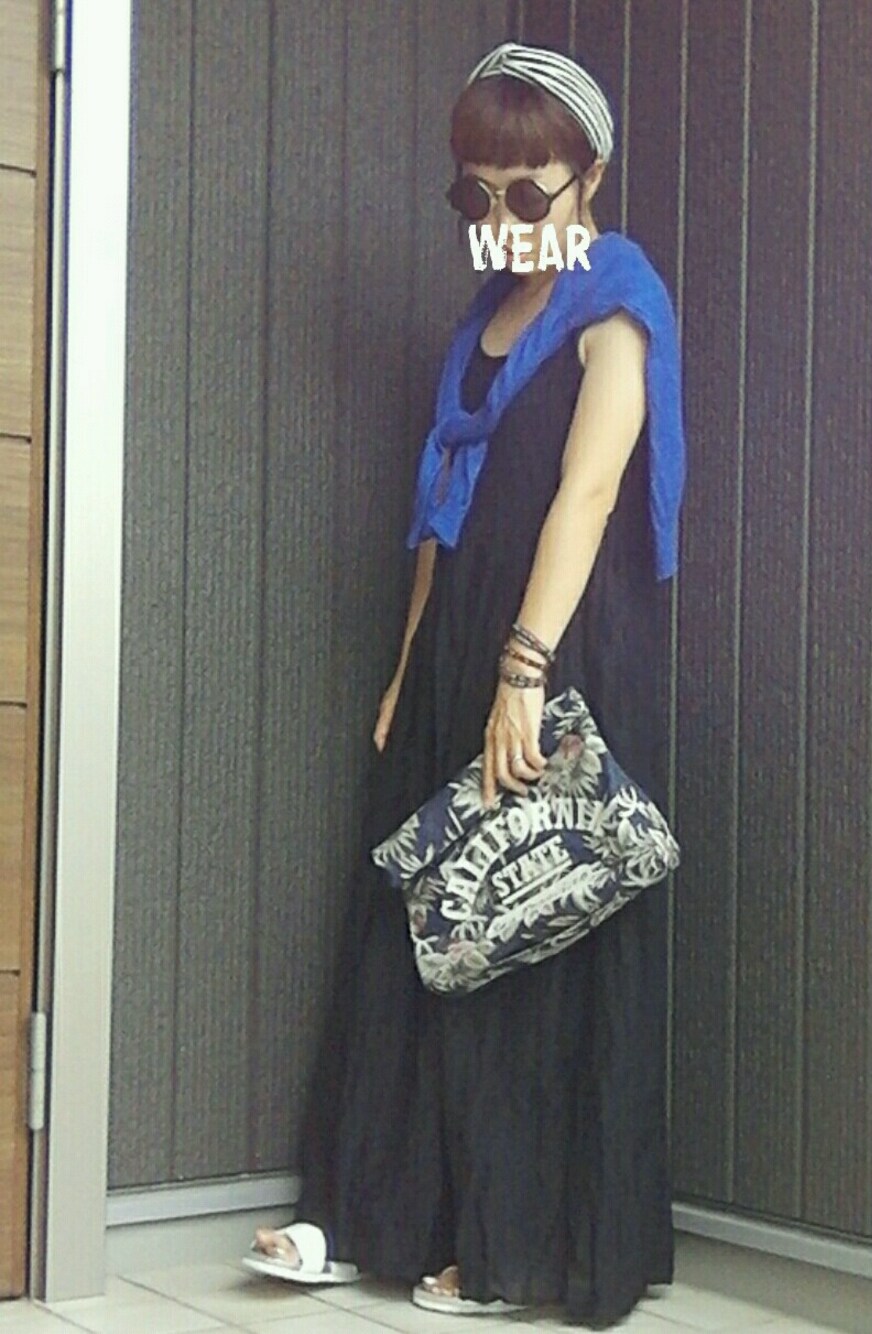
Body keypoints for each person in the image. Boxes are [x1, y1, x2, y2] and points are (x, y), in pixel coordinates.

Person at [243, 40, 685, 1328]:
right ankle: (359, 1216)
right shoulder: (478, 326)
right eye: (474, 192)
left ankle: (509, 1244)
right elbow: (442, 517)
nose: (499, 214)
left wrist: (523, 672)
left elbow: (588, 493)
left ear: (590, 176)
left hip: (554, 658)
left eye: (526, 188)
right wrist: (407, 672)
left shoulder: (617, 301)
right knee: (408, 922)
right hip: (454, 658)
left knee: (526, 929)